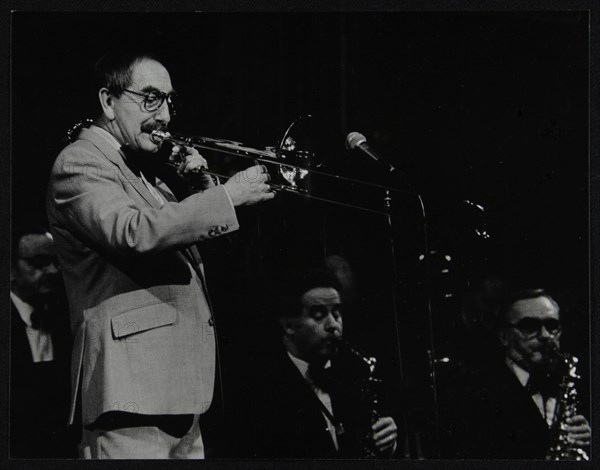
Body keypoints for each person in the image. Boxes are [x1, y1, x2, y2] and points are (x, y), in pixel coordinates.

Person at [46, 50, 274, 459]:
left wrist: (204, 183)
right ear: (108, 101)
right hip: (131, 394)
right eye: (151, 97)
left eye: (169, 100)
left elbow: (215, 251)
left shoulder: (146, 177)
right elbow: (133, 233)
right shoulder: (79, 162)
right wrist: (228, 194)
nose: (166, 115)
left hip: (179, 392)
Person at [237, 269, 399, 458]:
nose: (333, 325)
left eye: (337, 313)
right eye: (319, 315)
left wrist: (388, 445)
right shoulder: (260, 388)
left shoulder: (355, 373)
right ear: (289, 325)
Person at [448, 288, 591, 459]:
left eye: (552, 326)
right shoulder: (476, 395)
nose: (545, 336)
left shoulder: (577, 382)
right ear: (504, 337)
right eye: (529, 326)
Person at [10, 225, 76, 458]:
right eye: (39, 262)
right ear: (10, 270)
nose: (52, 270)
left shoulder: (64, 322)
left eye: (56, 262)